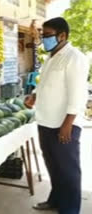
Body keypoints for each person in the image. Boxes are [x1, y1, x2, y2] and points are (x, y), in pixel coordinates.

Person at [25, 17, 89, 214]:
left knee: (68, 169)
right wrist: (34, 96)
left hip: (63, 124)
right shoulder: (51, 57)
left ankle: (70, 209)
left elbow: (78, 94)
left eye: (48, 35)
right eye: (42, 35)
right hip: (45, 121)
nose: (44, 39)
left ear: (63, 35)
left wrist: (67, 124)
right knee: (53, 166)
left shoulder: (75, 58)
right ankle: (56, 200)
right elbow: (46, 84)